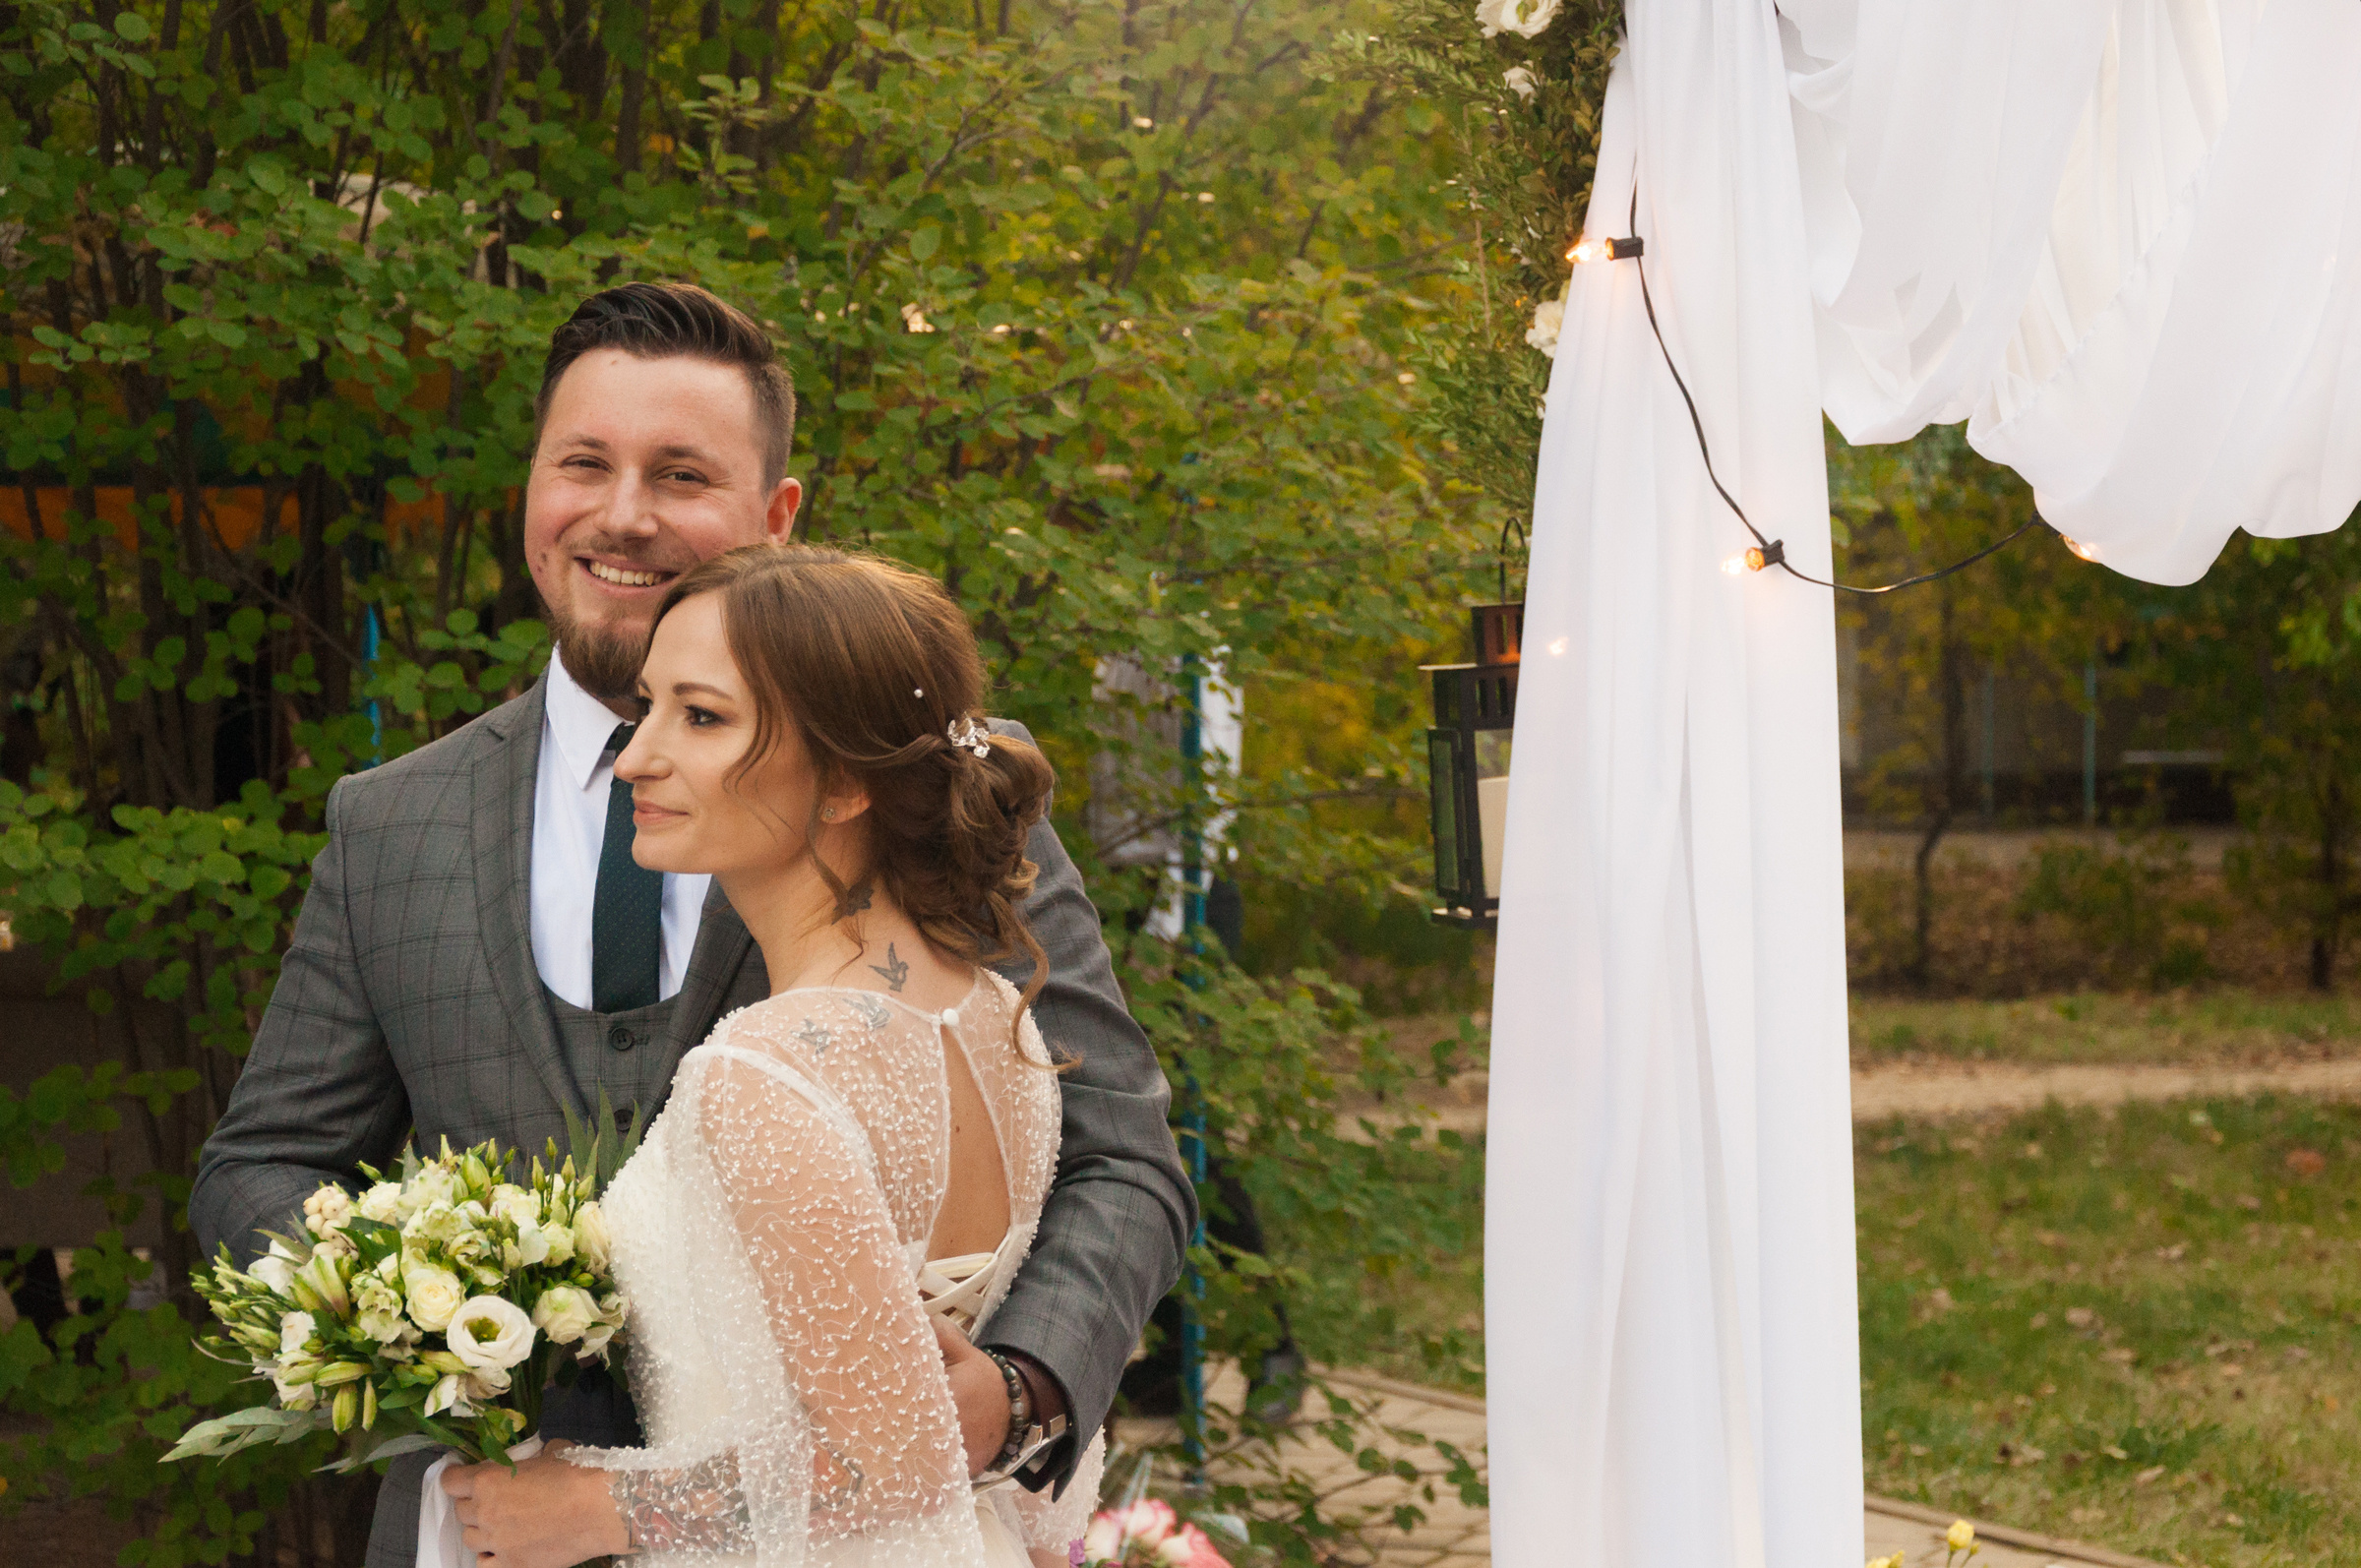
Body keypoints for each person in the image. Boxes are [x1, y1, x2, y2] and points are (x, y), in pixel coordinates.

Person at [189, 283, 1194, 1568]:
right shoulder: (391, 823)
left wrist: (1018, 1387)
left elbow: (1123, 1156)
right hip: (487, 1529)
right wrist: (429, 1306)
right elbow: (260, 1161)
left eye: (680, 473)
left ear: (775, 517)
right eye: (584, 464)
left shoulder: (921, 781)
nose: (622, 512)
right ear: (530, 490)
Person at [440, 544, 1099, 1567]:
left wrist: (601, 1510)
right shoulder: (999, 1018)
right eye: (648, 706)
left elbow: (893, 1462)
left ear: (841, 783)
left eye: (701, 718)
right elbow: (953, 1436)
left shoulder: (766, 1073)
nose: (635, 758)